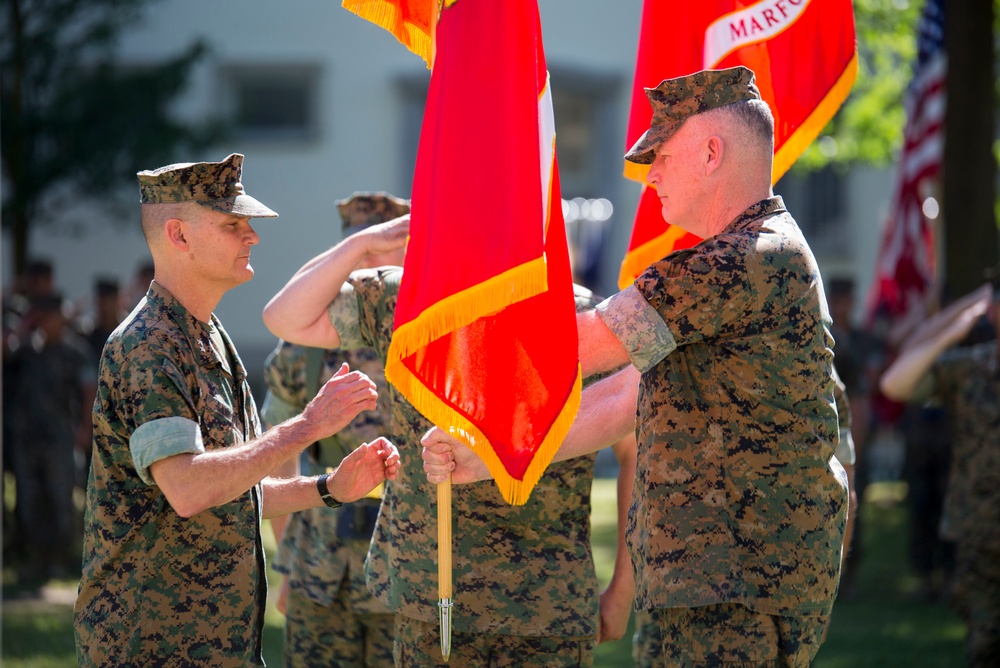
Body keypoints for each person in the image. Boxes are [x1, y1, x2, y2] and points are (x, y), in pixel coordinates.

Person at [423, 66, 848, 667]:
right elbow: (624, 399)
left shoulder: (745, 258)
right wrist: (492, 450)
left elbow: (579, 346)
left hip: (738, 582)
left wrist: (442, 338)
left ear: (710, 153)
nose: (651, 179)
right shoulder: (746, 257)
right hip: (720, 578)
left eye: (662, 157)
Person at [73, 153, 401, 668]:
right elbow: (189, 489)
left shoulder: (210, 336)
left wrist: (327, 489)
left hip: (216, 643)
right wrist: (307, 427)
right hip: (152, 645)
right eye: (233, 225)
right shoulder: (148, 345)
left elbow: (232, 492)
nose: (252, 237)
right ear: (178, 236)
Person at [262, 219, 637, 665]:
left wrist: (621, 592)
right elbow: (284, 316)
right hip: (429, 603)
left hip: (544, 610)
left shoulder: (581, 314)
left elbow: (634, 456)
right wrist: (362, 243)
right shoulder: (405, 301)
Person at [263, 191, 410, 667]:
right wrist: (288, 556)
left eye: (378, 248)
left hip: (408, 565)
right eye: (356, 248)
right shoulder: (303, 347)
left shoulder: (427, 333)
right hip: (319, 566)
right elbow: (277, 448)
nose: (364, 262)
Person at [879, 282, 1000, 667]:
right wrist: (953, 328)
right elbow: (894, 382)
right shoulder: (971, 368)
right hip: (980, 531)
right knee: (986, 645)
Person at [6, 292, 95, 581]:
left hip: (59, 440)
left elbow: (88, 392)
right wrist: (24, 327)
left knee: (60, 499)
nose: (47, 322)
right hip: (28, 439)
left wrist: (85, 428)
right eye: (41, 317)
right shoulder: (27, 350)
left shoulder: (74, 351)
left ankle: (60, 559)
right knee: (31, 500)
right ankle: (37, 560)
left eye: (51, 316)